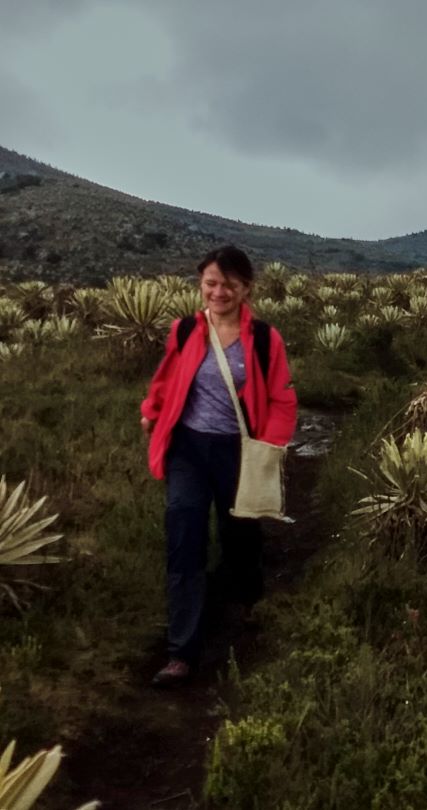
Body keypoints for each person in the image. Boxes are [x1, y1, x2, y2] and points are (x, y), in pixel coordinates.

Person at [140, 246, 297, 687]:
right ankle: (181, 652)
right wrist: (151, 410)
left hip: (238, 449)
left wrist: (272, 446)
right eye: (211, 282)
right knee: (183, 529)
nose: (218, 291)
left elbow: (283, 398)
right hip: (187, 448)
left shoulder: (265, 339)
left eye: (228, 283)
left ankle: (247, 600)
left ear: (246, 288)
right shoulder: (186, 329)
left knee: (240, 533)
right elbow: (167, 378)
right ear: (201, 284)